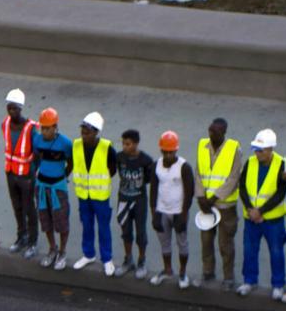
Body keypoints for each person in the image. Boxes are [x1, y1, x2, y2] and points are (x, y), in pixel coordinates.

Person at [235, 129, 286, 297]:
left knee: (276, 251)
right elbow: (243, 186)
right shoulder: (250, 162)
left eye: (261, 150)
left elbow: (281, 193)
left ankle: (278, 284)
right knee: (249, 250)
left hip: (273, 219)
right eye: (256, 150)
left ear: (270, 149)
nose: (257, 153)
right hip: (251, 217)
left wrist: (260, 211)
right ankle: (249, 281)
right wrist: (250, 209)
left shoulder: (282, 163)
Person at [192, 118, 241, 286]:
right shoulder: (202, 145)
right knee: (206, 241)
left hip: (225, 205)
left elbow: (233, 179)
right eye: (210, 131)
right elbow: (198, 173)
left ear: (224, 132)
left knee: (225, 244)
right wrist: (200, 197)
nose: (211, 134)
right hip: (206, 205)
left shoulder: (233, 149)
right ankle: (207, 272)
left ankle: (228, 277)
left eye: (216, 132)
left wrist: (213, 198)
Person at [67, 112, 114, 273]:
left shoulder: (107, 147)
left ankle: (107, 258)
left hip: (100, 197)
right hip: (83, 195)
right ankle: (88, 254)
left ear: (96, 132)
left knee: (103, 228)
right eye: (83, 131)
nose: (84, 135)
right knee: (86, 226)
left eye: (87, 132)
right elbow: (72, 165)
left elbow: (112, 169)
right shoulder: (76, 145)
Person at [148, 132, 193, 286]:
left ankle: (182, 273)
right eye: (165, 152)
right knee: (164, 243)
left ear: (176, 150)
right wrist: (154, 214)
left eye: (171, 152)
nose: (168, 155)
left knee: (182, 243)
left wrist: (184, 214)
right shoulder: (156, 165)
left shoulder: (184, 167)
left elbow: (189, 192)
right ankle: (167, 270)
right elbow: (153, 190)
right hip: (162, 211)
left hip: (178, 212)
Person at [29, 107, 72, 267]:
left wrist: (63, 177)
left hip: (58, 187)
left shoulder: (65, 143)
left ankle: (62, 251)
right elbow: (37, 158)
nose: (44, 131)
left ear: (55, 127)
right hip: (41, 186)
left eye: (48, 128)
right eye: (42, 128)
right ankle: (52, 249)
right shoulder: (37, 140)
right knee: (45, 220)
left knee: (61, 222)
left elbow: (71, 163)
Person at [113, 128, 156, 277]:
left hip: (139, 201)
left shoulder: (146, 160)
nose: (125, 147)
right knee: (125, 232)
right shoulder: (119, 158)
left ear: (136, 143)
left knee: (141, 232)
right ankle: (128, 260)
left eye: (128, 144)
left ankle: (141, 261)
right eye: (123, 144)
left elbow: (149, 179)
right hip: (124, 200)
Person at [0, 88, 37, 254]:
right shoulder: (5, 124)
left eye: (15, 108)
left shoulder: (31, 128)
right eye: (9, 107)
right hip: (11, 173)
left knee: (29, 208)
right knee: (17, 207)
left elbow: (38, 154)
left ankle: (32, 242)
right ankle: (21, 236)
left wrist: (32, 173)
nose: (11, 111)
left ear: (21, 108)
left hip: (26, 176)